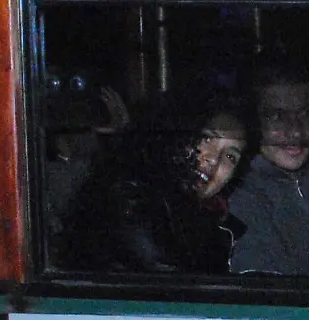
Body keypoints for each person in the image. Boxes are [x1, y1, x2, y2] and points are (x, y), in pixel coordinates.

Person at [59, 95, 247, 272]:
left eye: (230, 156)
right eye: (207, 138)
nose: (214, 159)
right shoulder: (134, 201)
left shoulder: (215, 225)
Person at [229, 68, 309, 276]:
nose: (296, 131)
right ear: (254, 124)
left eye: (305, 114)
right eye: (277, 117)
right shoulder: (241, 194)